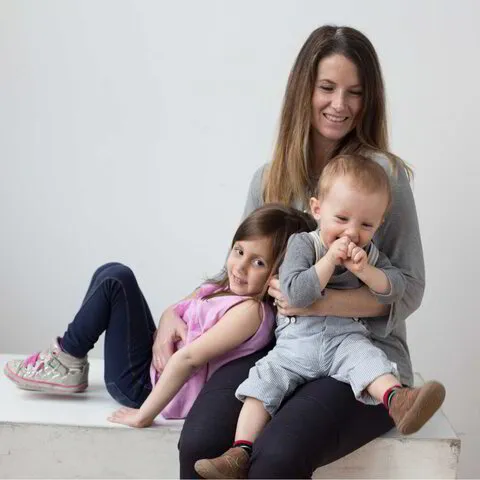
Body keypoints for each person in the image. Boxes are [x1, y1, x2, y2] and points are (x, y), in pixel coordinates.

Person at [177, 25, 428, 479]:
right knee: (199, 442)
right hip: (281, 349)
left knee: (277, 456)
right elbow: (240, 274)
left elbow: (409, 289)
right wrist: (174, 314)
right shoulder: (269, 179)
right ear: (303, 90)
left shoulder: (384, 176)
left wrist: (318, 300)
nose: (340, 104)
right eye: (327, 88)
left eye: (354, 92)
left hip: (361, 356)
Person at [194, 154, 445, 479]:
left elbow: (396, 288)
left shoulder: (368, 255)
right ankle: (240, 451)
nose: (352, 232)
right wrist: (329, 262)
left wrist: (366, 270)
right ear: (317, 210)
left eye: (366, 225)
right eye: (341, 219)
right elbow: (297, 292)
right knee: (262, 384)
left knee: (368, 361)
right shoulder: (303, 244)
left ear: (378, 225)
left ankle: (399, 400)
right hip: (295, 346)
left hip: (343, 340)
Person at [4, 205, 316, 426]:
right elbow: (174, 310)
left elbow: (189, 359)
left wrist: (145, 415)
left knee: (117, 280)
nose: (241, 266)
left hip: (144, 387)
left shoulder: (249, 312)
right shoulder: (221, 288)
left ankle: (67, 358)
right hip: (151, 367)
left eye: (259, 263)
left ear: (280, 273)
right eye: (239, 251)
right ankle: (69, 359)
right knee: (110, 272)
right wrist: (166, 326)